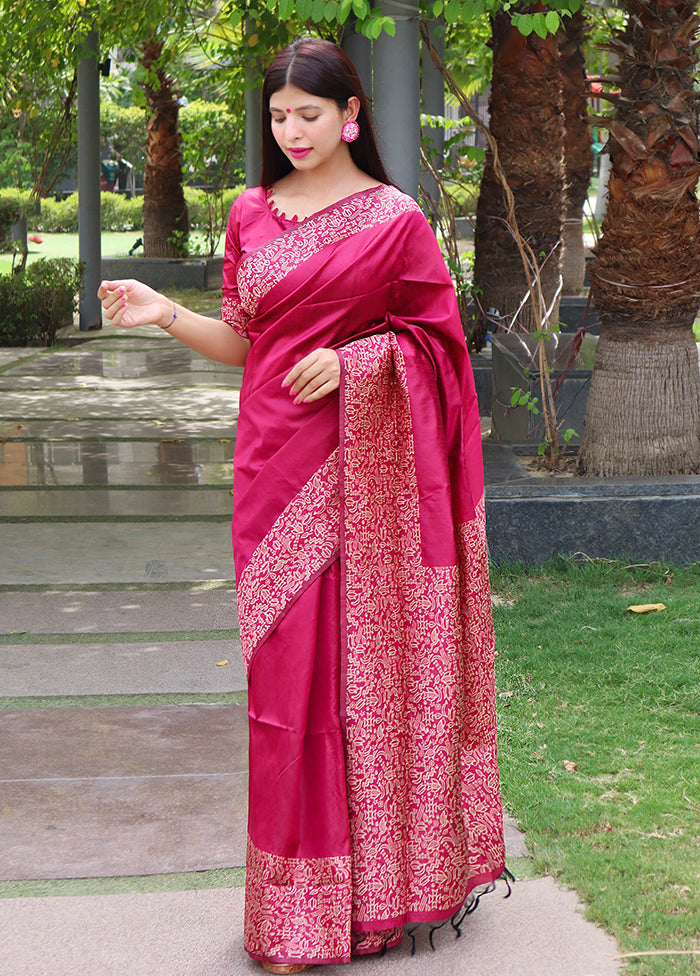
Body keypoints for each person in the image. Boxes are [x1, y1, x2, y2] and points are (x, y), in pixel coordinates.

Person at [98, 37, 506, 975]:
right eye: (279, 117)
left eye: (309, 115)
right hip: (273, 470)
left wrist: (363, 362)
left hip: (368, 477)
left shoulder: (395, 220)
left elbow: (441, 350)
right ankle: (296, 913)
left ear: (352, 116)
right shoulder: (252, 213)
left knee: (360, 678)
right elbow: (246, 343)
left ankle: (376, 899)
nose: (291, 132)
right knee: (287, 689)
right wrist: (164, 314)